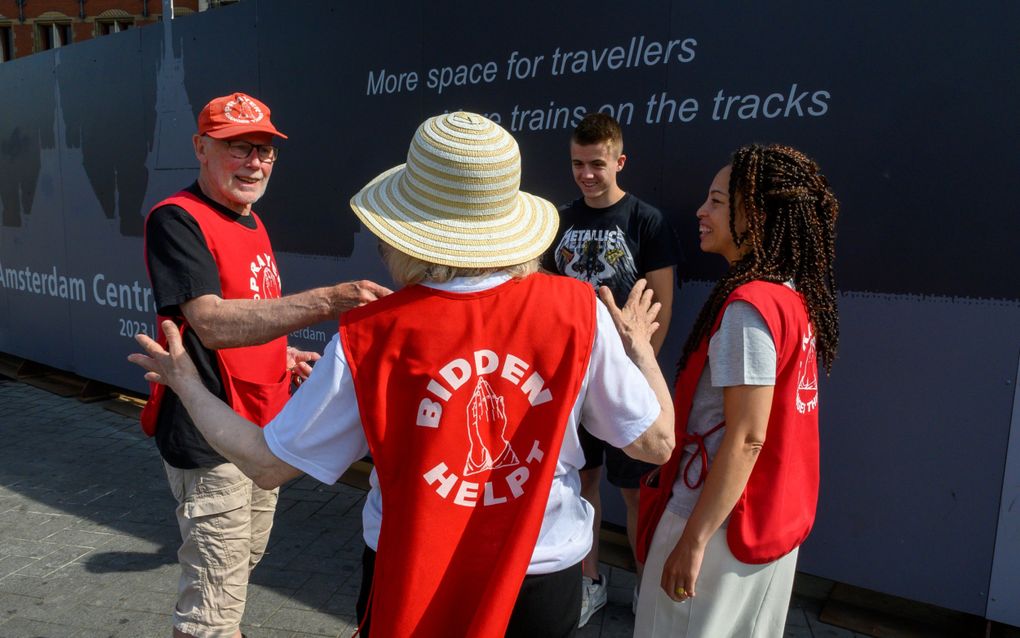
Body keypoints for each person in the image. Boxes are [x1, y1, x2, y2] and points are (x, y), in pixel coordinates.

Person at [129, 111, 676, 637]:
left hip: (413, 574)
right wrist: (640, 350)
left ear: (404, 226)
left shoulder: (373, 333)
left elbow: (265, 464)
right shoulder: (578, 309)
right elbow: (656, 444)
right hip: (543, 577)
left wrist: (186, 382)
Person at [142, 91, 391, 638]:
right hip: (209, 439)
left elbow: (243, 318)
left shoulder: (251, 219)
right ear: (201, 148)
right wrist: (329, 301)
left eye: (264, 150)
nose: (254, 162)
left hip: (260, 430)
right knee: (212, 606)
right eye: (238, 148)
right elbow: (208, 320)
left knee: (241, 563)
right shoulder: (178, 220)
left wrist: (280, 353)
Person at [633, 144, 840, 637]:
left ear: (757, 214)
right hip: (764, 524)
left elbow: (747, 437)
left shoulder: (750, 308)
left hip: (716, 526)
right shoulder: (791, 296)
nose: (701, 212)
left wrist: (692, 541)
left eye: (718, 202)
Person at [541, 112, 677, 624]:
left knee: (636, 492)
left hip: (626, 381)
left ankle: (647, 589)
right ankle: (590, 581)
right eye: (578, 163)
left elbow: (661, 305)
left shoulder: (647, 221)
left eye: (597, 163)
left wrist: (640, 374)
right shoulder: (559, 220)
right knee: (585, 483)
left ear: (619, 161)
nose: (586, 174)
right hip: (573, 382)